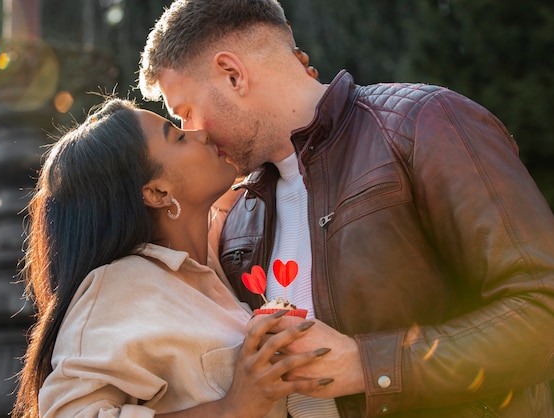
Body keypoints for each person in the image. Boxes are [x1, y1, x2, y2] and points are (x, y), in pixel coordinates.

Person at [137, 1, 554, 417]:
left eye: (185, 113)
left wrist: (367, 367)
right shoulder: (239, 214)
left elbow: (543, 309)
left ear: (233, 73)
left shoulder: (423, 124)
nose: (192, 135)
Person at [11, 98, 336, 418]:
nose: (200, 133)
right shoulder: (118, 288)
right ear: (157, 193)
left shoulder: (223, 265)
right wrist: (231, 408)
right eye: (178, 137)